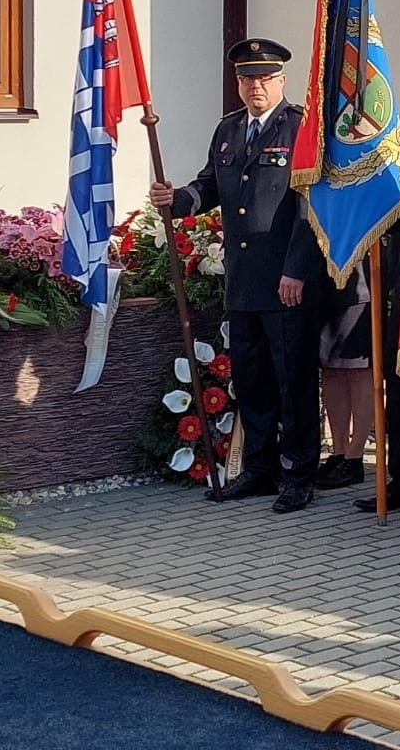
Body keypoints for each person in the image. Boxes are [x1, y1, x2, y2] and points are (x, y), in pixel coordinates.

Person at [150, 38, 324, 513]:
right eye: (247, 79)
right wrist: (179, 199)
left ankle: (299, 473)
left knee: (293, 381)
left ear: (281, 81)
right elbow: (210, 185)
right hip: (244, 280)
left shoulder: (301, 129)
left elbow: (313, 210)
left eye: (265, 79)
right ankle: (261, 469)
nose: (255, 87)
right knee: (252, 380)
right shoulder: (229, 130)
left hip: (286, 282)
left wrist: (295, 271)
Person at [314, 264, 372, 490]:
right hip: (323, 283)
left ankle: (355, 456)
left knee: (358, 370)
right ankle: (339, 452)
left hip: (359, 284)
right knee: (331, 369)